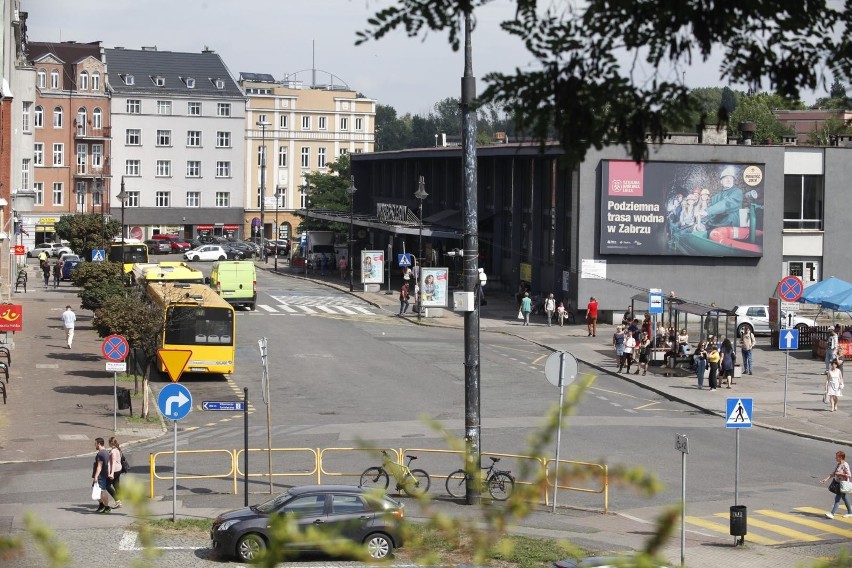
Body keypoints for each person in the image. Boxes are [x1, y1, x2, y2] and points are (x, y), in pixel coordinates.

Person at [702, 165, 744, 230]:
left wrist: (707, 211)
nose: (729, 180)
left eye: (731, 178)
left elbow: (727, 204)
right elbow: (710, 215)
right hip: (714, 227)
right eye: (726, 178)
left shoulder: (737, 192)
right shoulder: (715, 197)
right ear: (721, 182)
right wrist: (702, 220)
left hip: (730, 228)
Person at [820, 450, 852, 519]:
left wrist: (840, 474)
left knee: (837, 498)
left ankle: (832, 514)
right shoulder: (839, 464)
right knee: (845, 498)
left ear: (840, 457)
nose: (835, 458)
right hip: (838, 484)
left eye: (836, 457)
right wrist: (826, 479)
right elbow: (833, 473)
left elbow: (849, 475)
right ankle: (850, 512)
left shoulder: (845, 465)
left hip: (842, 484)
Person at [92, 437, 111, 513]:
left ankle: (107, 507)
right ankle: (101, 505)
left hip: (101, 476)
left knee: (102, 491)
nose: (95, 445)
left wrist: (96, 476)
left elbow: (99, 466)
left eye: (95, 444)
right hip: (104, 474)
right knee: (96, 489)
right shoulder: (106, 452)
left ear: (99, 444)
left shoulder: (100, 454)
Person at [107, 436, 123, 509]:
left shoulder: (113, 451)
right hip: (119, 469)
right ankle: (120, 499)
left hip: (115, 470)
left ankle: (117, 500)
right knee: (116, 484)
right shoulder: (118, 449)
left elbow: (113, 462)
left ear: (110, 443)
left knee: (107, 486)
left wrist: (111, 473)